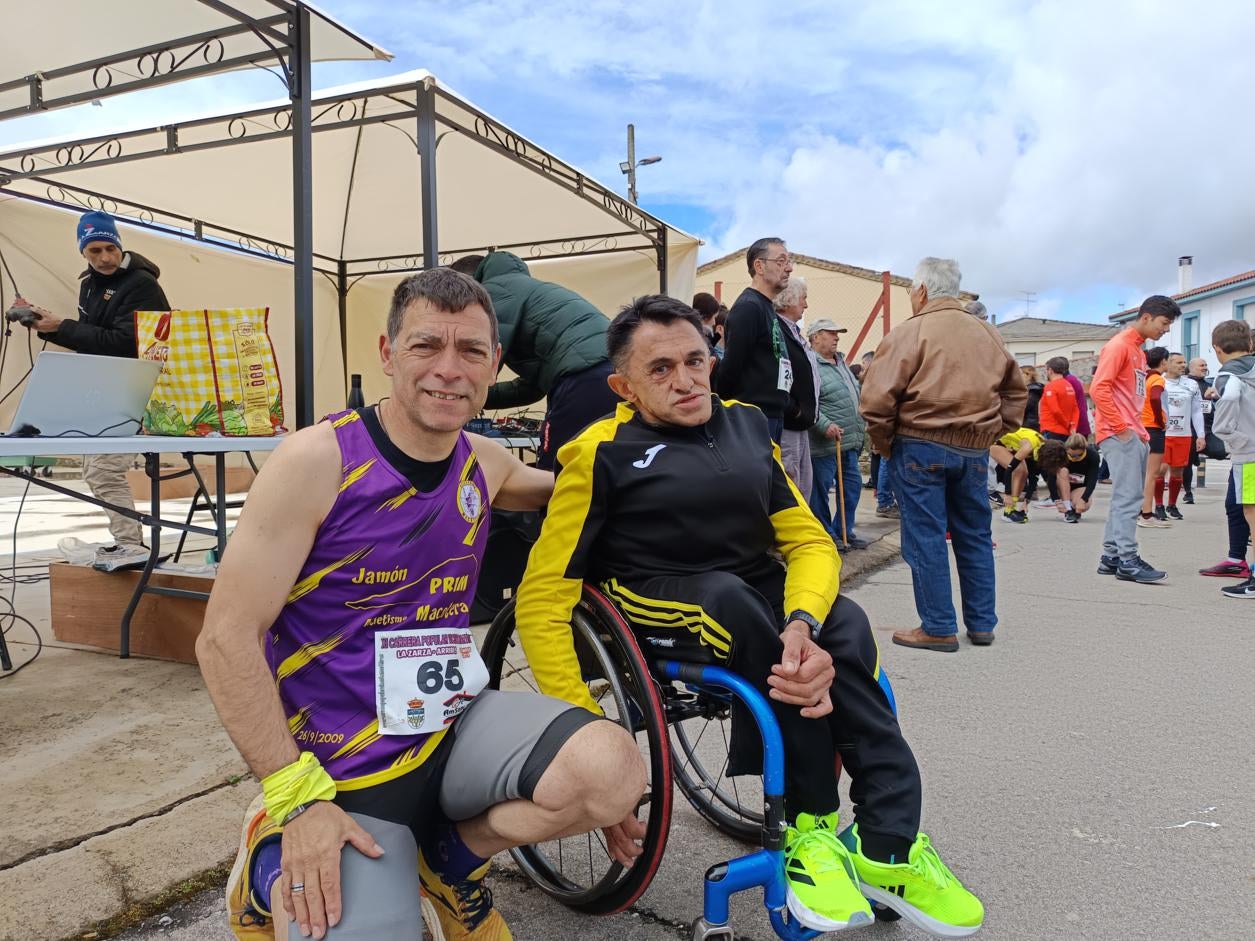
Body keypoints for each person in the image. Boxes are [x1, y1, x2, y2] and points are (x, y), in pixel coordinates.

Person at [198, 269, 647, 941]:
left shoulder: (483, 462)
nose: (449, 369)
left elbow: (574, 489)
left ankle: (447, 860)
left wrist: (661, 437)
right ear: (387, 352)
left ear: (494, 364)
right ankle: (269, 853)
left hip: (452, 728)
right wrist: (295, 796)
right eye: (425, 345)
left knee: (612, 772)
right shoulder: (316, 460)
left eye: (470, 351)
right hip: (338, 764)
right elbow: (225, 637)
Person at [514, 295, 983, 937]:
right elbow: (544, 595)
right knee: (738, 610)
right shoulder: (599, 453)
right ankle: (810, 829)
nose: (685, 380)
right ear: (624, 387)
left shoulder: (746, 427)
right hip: (653, 591)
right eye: (660, 370)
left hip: (748, 586)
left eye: (695, 360)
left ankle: (889, 844)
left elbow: (809, 541)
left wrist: (803, 625)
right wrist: (585, 732)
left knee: (847, 625)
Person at [860, 257, 1026, 651]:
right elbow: (1015, 393)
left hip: (919, 443)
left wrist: (884, 444)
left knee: (926, 535)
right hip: (973, 448)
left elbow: (876, 402)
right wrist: (991, 432)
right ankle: (981, 624)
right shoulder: (988, 333)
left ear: (920, 290)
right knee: (975, 534)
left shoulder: (909, 331)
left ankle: (938, 626)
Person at [18, 210, 170, 572]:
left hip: (137, 390)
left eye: (109, 249)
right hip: (108, 389)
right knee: (96, 472)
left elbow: (124, 343)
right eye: (94, 251)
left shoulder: (142, 285)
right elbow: (93, 340)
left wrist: (62, 326)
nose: (104, 258)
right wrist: (49, 327)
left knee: (103, 471)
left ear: (120, 245)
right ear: (83, 252)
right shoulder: (89, 283)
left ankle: (131, 544)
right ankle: (128, 542)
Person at [450, 251, 620, 469]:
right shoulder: (525, 290)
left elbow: (482, 355)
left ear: (470, 283)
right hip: (613, 373)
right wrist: (482, 398)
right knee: (595, 464)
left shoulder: (494, 292)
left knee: (556, 466)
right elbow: (531, 388)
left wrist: (454, 393)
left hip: (584, 377)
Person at [1092, 296, 1179, 583]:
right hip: (1121, 433)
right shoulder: (1119, 346)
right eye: (1164, 323)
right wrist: (1121, 428)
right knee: (1130, 498)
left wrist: (1135, 431)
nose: (1166, 329)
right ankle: (1127, 559)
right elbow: (1099, 388)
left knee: (1125, 497)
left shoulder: (1137, 351)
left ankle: (1112, 556)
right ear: (1146, 317)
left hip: (1132, 432)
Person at [717, 238, 795, 443]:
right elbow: (731, 368)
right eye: (781, 261)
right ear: (759, 266)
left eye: (789, 261)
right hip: (753, 418)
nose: (789, 268)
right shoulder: (749, 307)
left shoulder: (766, 306)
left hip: (771, 415)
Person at [807, 318, 867, 550]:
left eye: (837, 333)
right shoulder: (810, 363)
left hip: (848, 441)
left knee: (851, 488)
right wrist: (824, 425)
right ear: (815, 337)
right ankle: (827, 534)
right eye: (831, 333)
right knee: (820, 491)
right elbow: (807, 401)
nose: (837, 337)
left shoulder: (841, 361)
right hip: (824, 443)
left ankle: (844, 530)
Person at [1211, 319, 1255, 599]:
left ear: (1218, 349)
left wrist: (1234, 438)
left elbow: (1228, 404)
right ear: (1249, 344)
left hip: (1249, 458)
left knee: (1253, 514)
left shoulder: (1228, 377)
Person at [773, 278, 819, 495]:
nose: (806, 305)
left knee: (803, 486)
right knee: (792, 487)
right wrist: (794, 409)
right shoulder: (778, 330)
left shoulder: (792, 331)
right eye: (803, 299)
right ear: (788, 299)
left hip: (801, 424)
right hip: (790, 424)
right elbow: (775, 374)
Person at [1153, 352, 1205, 521]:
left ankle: (1172, 505)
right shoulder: (1159, 381)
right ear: (1167, 364)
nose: (1183, 366)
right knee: (1160, 470)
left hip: (1183, 434)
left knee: (1177, 471)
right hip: (1163, 434)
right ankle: (1158, 505)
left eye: (1184, 362)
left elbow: (1196, 411)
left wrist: (1201, 435)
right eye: (1178, 363)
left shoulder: (1191, 384)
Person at [1136, 346, 1171, 526]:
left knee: (1141, 473)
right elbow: (1156, 398)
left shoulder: (1143, 378)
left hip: (1140, 426)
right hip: (1154, 428)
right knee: (1152, 474)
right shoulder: (1157, 379)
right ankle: (1146, 514)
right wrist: (1160, 420)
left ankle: (1139, 510)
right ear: (1163, 361)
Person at [1037, 435, 1101, 522]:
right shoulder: (1060, 453)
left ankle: (1073, 508)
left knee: (1084, 505)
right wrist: (1056, 499)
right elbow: (1051, 478)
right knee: (1063, 470)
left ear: (1084, 449)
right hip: (1062, 486)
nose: (1075, 458)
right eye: (1072, 455)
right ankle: (1068, 509)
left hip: (1079, 487)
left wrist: (1084, 499)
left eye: (1079, 455)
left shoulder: (1093, 455)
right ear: (1067, 449)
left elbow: (1092, 480)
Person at [989, 426, 1045, 524]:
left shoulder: (1043, 449)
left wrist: (1026, 503)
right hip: (997, 443)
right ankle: (1008, 511)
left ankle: (1010, 509)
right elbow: (1009, 470)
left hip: (1013, 446)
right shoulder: (1029, 447)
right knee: (1018, 469)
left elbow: (1034, 477)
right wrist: (1007, 494)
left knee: (1024, 472)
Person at [1181, 357, 1215, 503]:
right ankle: (1188, 492)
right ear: (1191, 368)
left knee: (1220, 451)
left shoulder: (1210, 385)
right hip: (1189, 428)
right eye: (1201, 365)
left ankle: (1196, 456)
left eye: (1206, 365)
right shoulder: (1186, 384)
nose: (1205, 367)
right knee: (1187, 463)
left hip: (1208, 429)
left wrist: (1214, 397)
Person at [1039, 357, 1080, 441]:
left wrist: (1067, 424)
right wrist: (1073, 426)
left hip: (1051, 428)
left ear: (1050, 370)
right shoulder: (1069, 385)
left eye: (1046, 370)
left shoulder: (1050, 386)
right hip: (1066, 431)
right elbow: (1076, 409)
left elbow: (1055, 410)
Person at [1020, 366, 1044, 432]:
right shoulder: (1033, 389)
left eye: (1020, 374)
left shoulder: (1032, 391)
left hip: (1030, 427)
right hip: (1030, 425)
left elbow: (1022, 408)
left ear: (1027, 375)